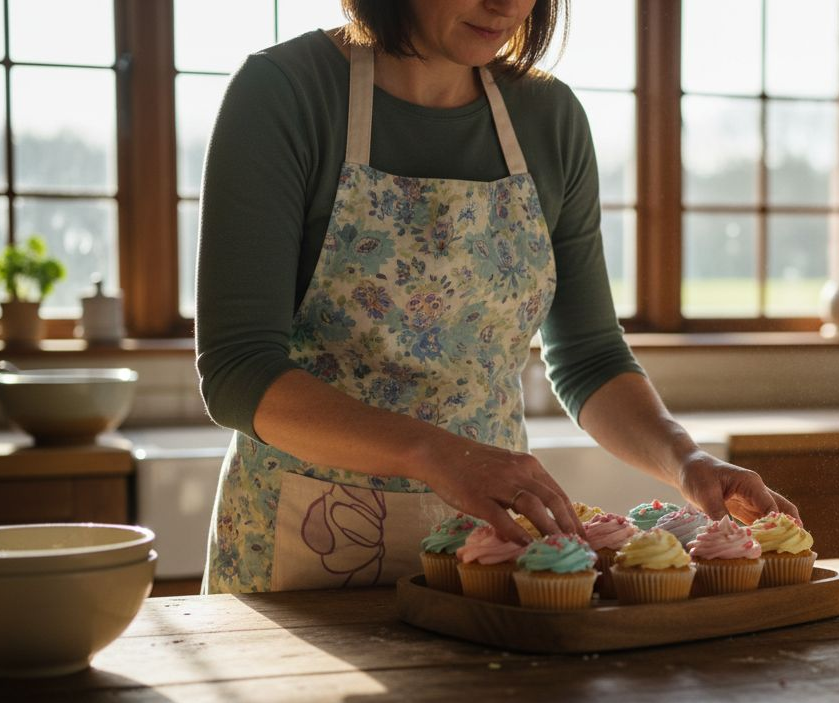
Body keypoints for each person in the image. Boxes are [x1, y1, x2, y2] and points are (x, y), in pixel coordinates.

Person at [195, 0, 799, 594]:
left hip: (489, 556)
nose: (508, 3)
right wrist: (440, 456)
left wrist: (687, 461)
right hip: (299, 552)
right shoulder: (285, 93)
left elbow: (589, 357)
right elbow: (238, 373)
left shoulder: (548, 117)